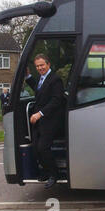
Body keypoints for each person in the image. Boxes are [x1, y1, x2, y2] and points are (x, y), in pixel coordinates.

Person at [25, 54, 65, 189]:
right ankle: (47, 172)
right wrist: (28, 76)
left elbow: (56, 100)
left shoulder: (56, 79)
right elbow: (39, 90)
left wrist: (40, 114)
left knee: (43, 147)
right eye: (37, 66)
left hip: (51, 120)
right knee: (35, 147)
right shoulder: (42, 78)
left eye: (42, 65)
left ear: (48, 64)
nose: (40, 68)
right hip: (41, 120)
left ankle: (55, 174)